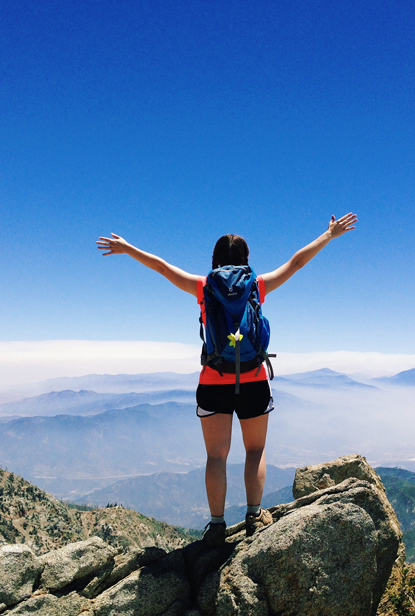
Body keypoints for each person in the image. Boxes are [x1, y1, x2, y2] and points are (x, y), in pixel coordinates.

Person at [96, 213, 357, 546]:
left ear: (214, 260)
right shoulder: (257, 286)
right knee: (255, 450)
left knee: (216, 457)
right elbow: (295, 264)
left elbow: (161, 267)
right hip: (253, 379)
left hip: (213, 380)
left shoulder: (203, 287)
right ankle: (253, 516)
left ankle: (217, 526)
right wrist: (329, 235)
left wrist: (128, 248)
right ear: (246, 261)